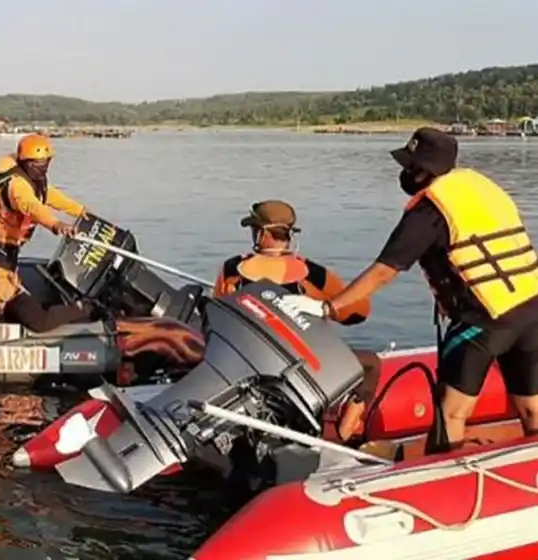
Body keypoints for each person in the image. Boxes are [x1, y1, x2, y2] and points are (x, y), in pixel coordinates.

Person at [282, 127, 538, 454]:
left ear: (425, 170)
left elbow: (383, 271)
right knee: (532, 407)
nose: (404, 173)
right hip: (531, 307)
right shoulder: (480, 187)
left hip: (482, 319)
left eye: (409, 166)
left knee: (451, 411)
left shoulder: (431, 208)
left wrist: (326, 308)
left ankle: (442, 481)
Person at [214, 199, 372, 326]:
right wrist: (324, 308)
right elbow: (359, 313)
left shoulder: (232, 269)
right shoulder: (315, 275)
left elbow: (216, 314)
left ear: (262, 233)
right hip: (299, 358)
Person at [0, 133, 88, 270]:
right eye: (38, 165)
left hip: (10, 244)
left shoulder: (35, 179)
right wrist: (56, 224)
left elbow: (49, 195)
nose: (43, 169)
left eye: (46, 163)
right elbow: (32, 207)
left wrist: (80, 211)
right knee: (3, 285)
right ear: (25, 162)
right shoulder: (17, 186)